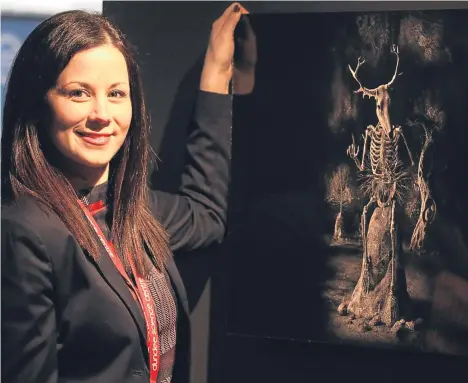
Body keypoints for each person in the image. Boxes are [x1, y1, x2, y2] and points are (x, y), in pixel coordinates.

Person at [1, 3, 250, 383]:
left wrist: (216, 75)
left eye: (117, 94)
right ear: (39, 103)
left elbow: (206, 216)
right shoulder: (23, 232)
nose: (102, 113)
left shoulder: (133, 209)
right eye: (79, 93)